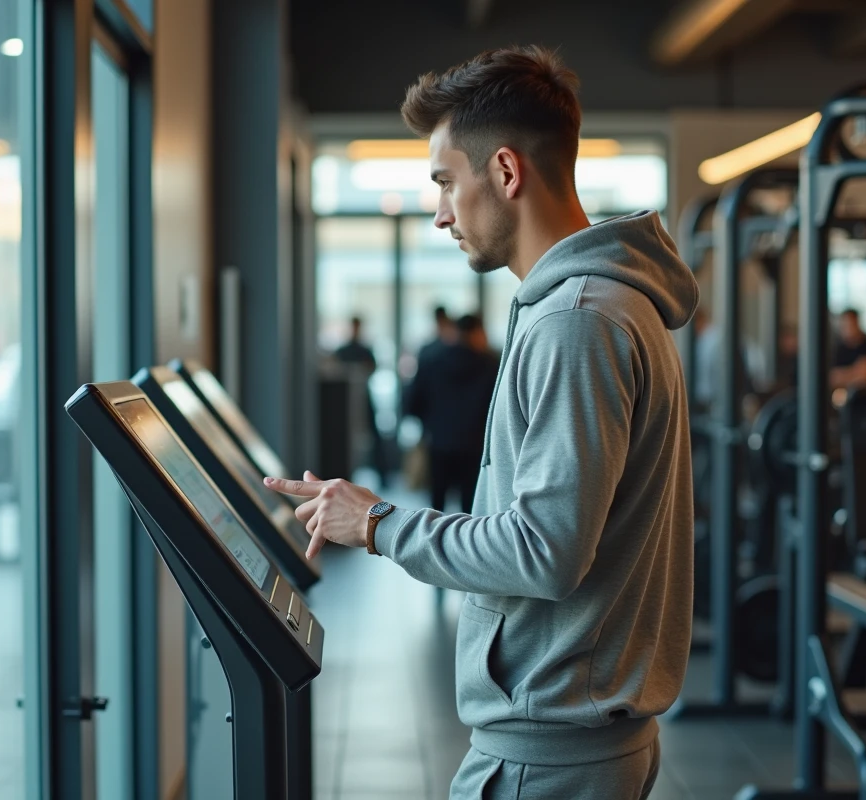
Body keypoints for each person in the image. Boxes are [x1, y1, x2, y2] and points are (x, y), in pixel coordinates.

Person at [266, 45, 696, 799]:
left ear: (504, 171)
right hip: (571, 741)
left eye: (444, 183)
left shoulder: (578, 320)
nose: (439, 214)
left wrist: (377, 523)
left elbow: (545, 551)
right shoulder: (597, 304)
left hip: (551, 754)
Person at [406, 314, 496, 514]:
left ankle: (433, 534)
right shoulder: (489, 364)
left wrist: (430, 424)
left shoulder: (431, 361)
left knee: (436, 505)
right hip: (474, 445)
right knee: (471, 506)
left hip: (439, 442)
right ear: (477, 332)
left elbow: (413, 402)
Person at [334, 316, 387, 484]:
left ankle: (383, 475)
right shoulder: (343, 350)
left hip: (364, 396)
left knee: (375, 435)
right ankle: (342, 474)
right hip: (345, 401)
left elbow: (372, 368)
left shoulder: (365, 350)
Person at [830, 308, 866, 389]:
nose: (848, 328)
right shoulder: (837, 348)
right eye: (845, 325)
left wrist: (844, 375)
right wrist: (856, 371)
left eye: (851, 324)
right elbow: (833, 378)